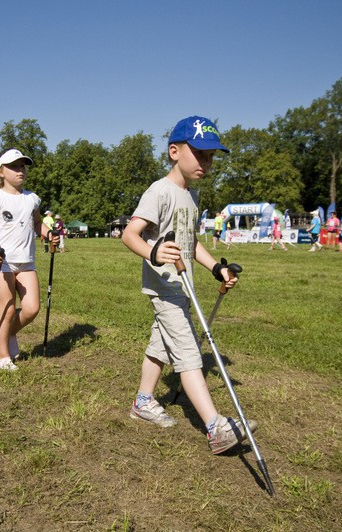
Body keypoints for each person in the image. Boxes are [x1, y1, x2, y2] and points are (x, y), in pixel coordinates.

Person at [121, 116, 256, 455]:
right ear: (174, 151)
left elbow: (190, 242)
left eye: (211, 157)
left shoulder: (191, 197)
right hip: (164, 286)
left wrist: (215, 268)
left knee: (162, 347)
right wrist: (153, 251)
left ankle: (143, 401)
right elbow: (129, 234)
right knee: (188, 353)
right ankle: (215, 428)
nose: (206, 163)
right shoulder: (160, 191)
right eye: (200, 154)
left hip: (182, 286)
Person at [0, 148, 58, 370]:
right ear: (1, 171)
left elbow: (36, 223)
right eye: (14, 166)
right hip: (3, 262)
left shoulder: (32, 199)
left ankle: (8, 333)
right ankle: (3, 356)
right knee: (7, 309)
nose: (20, 170)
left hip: (26, 262)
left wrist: (48, 233)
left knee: (32, 308)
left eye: (22, 166)